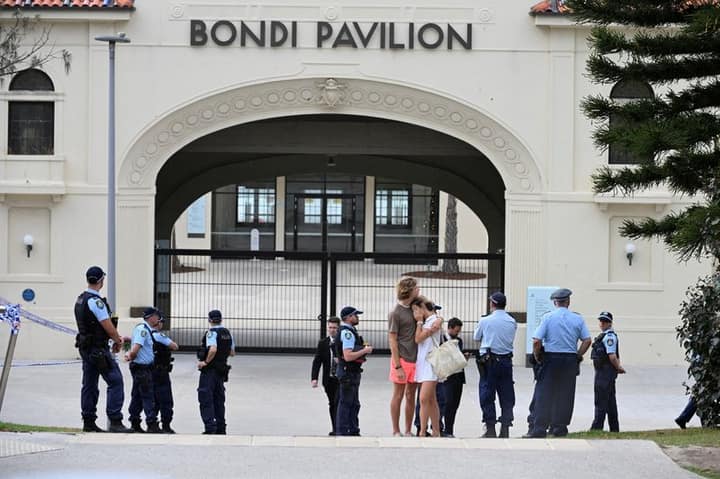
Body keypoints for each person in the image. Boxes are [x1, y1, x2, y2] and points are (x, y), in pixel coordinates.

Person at [525, 288, 591, 438]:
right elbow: (587, 340)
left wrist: (537, 357)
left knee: (544, 394)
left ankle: (539, 429)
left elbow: (536, 341)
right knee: (565, 394)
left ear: (555, 302)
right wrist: (577, 355)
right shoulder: (578, 319)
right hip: (569, 359)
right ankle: (559, 428)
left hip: (551, 358)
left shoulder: (548, 317)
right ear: (568, 302)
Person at [73, 265, 132, 433]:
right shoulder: (96, 302)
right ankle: (115, 421)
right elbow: (107, 325)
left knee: (89, 385)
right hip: (98, 350)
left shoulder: (80, 299)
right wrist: (118, 340)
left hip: (86, 348)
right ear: (101, 281)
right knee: (115, 381)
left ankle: (88, 422)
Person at [388, 277, 440, 436]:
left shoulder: (417, 305)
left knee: (411, 395)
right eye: (416, 287)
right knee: (398, 395)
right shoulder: (396, 313)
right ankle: (396, 430)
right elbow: (392, 339)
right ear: (408, 290)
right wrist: (397, 365)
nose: (419, 289)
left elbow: (433, 313)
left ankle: (408, 429)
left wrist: (440, 319)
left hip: (417, 359)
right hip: (402, 358)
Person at [474, 292, 517, 438]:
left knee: (487, 394)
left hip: (489, 361)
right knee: (507, 395)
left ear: (492, 304)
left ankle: (490, 427)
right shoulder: (512, 321)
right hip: (506, 361)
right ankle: (505, 427)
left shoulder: (485, 320)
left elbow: (476, 337)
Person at [125, 307, 166, 433]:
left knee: (137, 396)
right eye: (157, 316)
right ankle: (151, 423)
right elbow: (136, 347)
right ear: (151, 317)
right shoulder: (143, 330)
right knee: (148, 396)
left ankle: (135, 422)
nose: (158, 319)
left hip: (143, 368)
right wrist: (131, 356)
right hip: (142, 369)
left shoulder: (146, 329)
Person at [335, 306, 373, 436]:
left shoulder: (350, 331)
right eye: (355, 315)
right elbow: (348, 356)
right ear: (348, 317)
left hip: (351, 372)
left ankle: (352, 430)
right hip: (348, 373)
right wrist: (365, 350)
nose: (357, 317)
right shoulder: (347, 333)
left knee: (354, 403)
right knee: (347, 403)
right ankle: (344, 431)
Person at [197, 309, 235, 434]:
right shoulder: (227, 333)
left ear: (209, 320)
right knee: (219, 400)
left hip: (210, 371)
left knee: (206, 398)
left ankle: (210, 428)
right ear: (221, 319)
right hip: (221, 370)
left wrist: (205, 362)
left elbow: (213, 349)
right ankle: (220, 428)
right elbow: (232, 352)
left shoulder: (211, 333)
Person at [412, 296, 444, 438]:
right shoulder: (431, 321)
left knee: (424, 398)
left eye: (416, 310)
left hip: (430, 364)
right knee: (431, 399)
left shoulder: (432, 321)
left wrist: (419, 322)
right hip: (424, 363)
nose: (415, 313)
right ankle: (436, 431)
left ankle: (422, 431)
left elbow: (418, 338)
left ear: (422, 308)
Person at [590, 311, 626, 432]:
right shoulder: (603, 336)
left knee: (601, 401)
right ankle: (614, 429)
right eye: (601, 321)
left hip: (605, 373)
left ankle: (596, 428)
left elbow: (612, 356)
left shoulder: (609, 337)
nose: (602, 323)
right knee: (610, 402)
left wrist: (618, 367)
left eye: (605, 321)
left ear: (610, 323)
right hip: (604, 373)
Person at [311, 316, 340, 435]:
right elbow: (317, 361)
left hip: (340, 378)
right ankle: (335, 428)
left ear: (339, 329)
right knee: (332, 403)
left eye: (335, 328)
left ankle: (341, 427)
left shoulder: (342, 342)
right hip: (329, 379)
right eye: (330, 327)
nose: (332, 330)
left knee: (339, 402)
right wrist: (314, 378)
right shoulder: (323, 343)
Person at [151, 312, 179, 433]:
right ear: (158, 323)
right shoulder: (159, 336)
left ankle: (152, 423)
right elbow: (175, 346)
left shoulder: (145, 334)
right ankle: (166, 425)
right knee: (165, 399)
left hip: (150, 371)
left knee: (152, 398)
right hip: (161, 372)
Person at [441, 317, 468, 437]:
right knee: (447, 402)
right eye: (456, 331)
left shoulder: (459, 341)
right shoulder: (443, 339)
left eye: (459, 331)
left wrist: (464, 358)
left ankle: (449, 430)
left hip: (458, 375)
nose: (457, 334)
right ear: (450, 328)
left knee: (455, 404)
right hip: (448, 375)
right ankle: (440, 427)